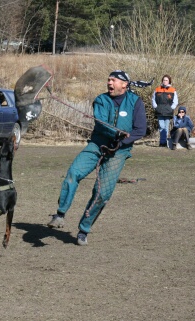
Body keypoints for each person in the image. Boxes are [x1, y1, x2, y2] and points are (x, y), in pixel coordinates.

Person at [47, 70, 149, 246]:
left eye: (113, 80)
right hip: (97, 145)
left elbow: (140, 130)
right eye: (108, 80)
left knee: (102, 193)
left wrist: (124, 142)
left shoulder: (136, 102)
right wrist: (117, 135)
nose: (109, 83)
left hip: (119, 151)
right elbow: (101, 124)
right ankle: (60, 214)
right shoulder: (101, 100)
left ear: (124, 84)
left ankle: (83, 230)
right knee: (73, 173)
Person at [152, 75, 178, 147]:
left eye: (166, 80)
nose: (165, 81)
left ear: (169, 81)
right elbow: (153, 99)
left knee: (166, 127)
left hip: (168, 111)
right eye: (164, 80)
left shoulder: (172, 90)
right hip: (159, 111)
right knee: (161, 126)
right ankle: (162, 141)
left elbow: (175, 101)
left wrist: (171, 108)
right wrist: (156, 107)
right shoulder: (157, 89)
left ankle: (165, 142)